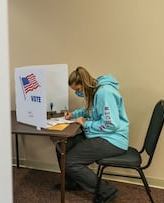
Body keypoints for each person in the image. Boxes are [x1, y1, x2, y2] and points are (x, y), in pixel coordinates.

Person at [54, 66, 129, 203]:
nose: (77, 93)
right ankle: (73, 182)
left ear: (84, 83)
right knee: (62, 146)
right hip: (100, 134)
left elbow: (111, 124)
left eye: (77, 90)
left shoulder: (104, 92)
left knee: (70, 161)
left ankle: (106, 192)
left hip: (113, 139)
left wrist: (86, 124)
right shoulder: (95, 90)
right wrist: (74, 115)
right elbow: (89, 109)